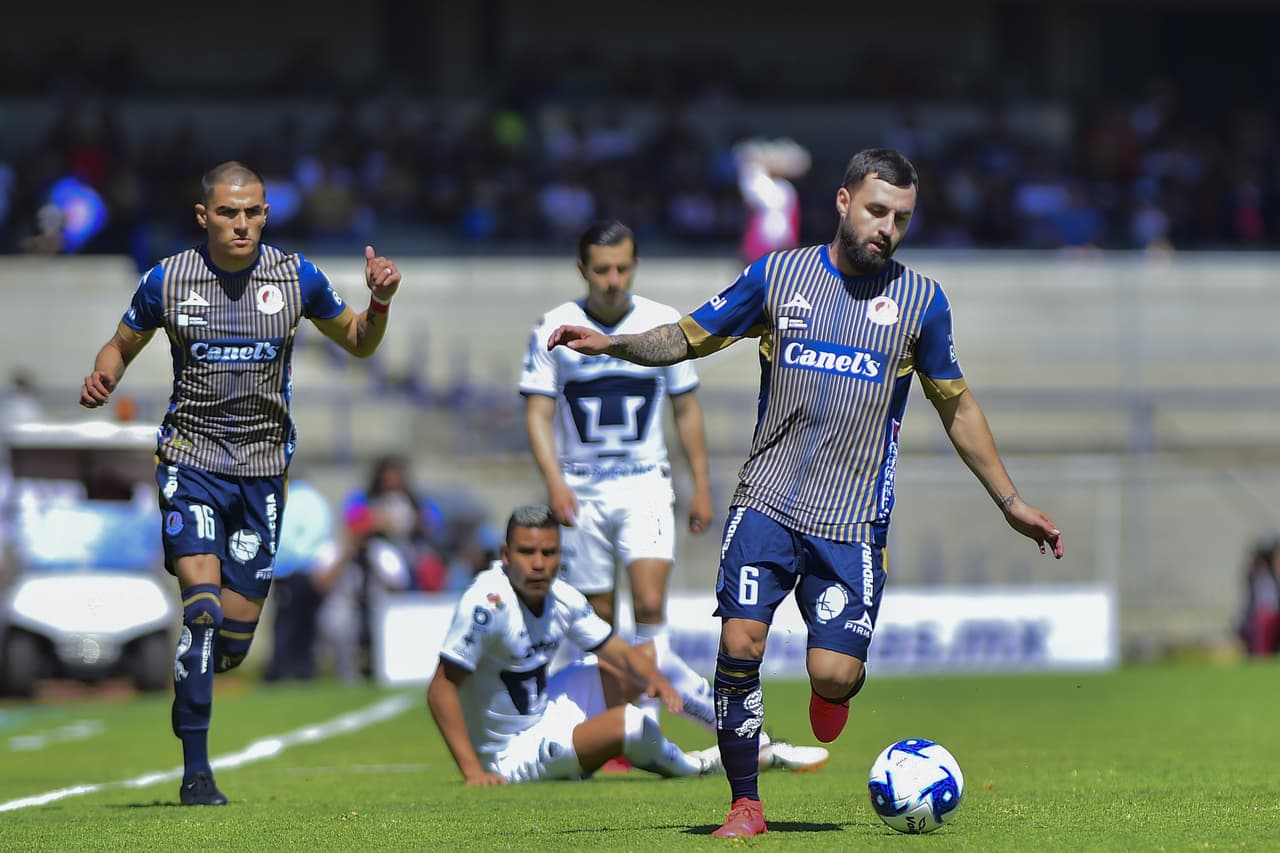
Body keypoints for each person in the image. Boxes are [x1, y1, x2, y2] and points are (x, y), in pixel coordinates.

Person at [547, 148, 1065, 837]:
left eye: (902, 218)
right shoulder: (778, 274)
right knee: (740, 643)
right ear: (844, 202)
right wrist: (614, 344)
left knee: (833, 674)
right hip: (767, 499)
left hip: (851, 521)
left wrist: (1010, 501)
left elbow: (958, 406)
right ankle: (745, 803)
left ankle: (835, 689)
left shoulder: (921, 303)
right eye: (878, 210)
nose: (888, 227)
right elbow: (688, 336)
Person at [78, 161, 402, 806]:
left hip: (262, 475)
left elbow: (361, 343)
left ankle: (195, 681)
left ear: (265, 214)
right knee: (199, 614)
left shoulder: (296, 277)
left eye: (253, 212)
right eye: (229, 212)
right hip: (190, 463)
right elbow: (119, 344)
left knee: (229, 641)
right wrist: (103, 373)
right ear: (204, 216)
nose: (242, 223)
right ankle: (196, 770)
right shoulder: (168, 280)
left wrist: (382, 300)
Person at [425, 504, 829, 785]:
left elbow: (613, 650)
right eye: (527, 552)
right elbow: (441, 689)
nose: (538, 563)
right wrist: (473, 771)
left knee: (653, 657)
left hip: (547, 707)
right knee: (630, 725)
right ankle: (698, 765)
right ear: (505, 555)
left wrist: (658, 680)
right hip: (510, 755)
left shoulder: (560, 595)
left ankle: (749, 741)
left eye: (548, 553)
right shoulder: (487, 603)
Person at [519, 219, 714, 721]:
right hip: (581, 491)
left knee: (650, 604)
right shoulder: (553, 326)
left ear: (635, 266)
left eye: (623, 268)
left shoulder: (662, 323)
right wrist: (555, 484)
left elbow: (686, 408)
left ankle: (649, 722)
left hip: (646, 483)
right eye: (602, 269)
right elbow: (537, 413)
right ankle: (609, 729)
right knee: (598, 621)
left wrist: (701, 487)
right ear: (582, 268)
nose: (613, 279)